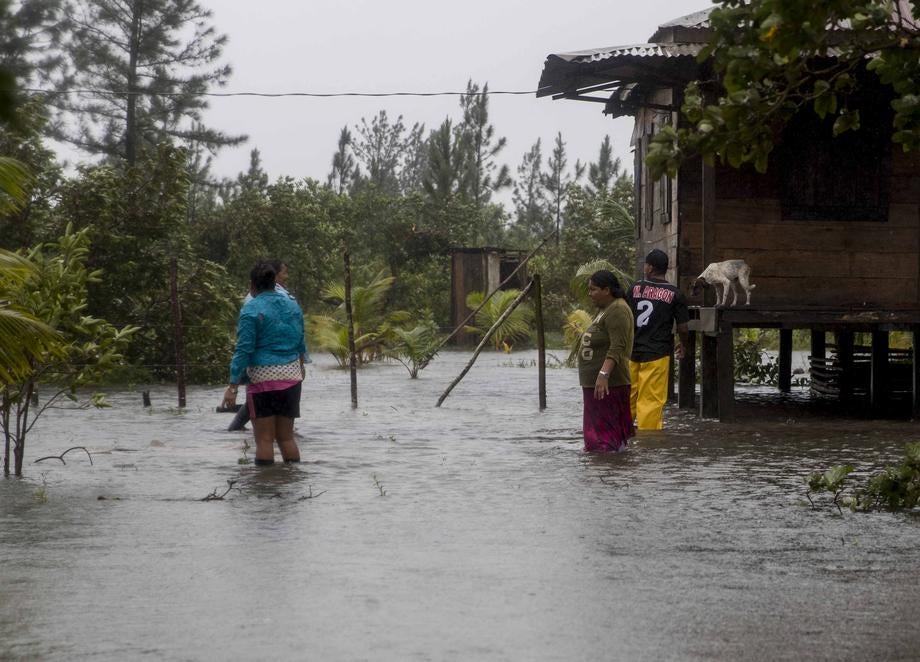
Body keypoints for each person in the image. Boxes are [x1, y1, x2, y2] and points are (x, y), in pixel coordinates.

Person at [221, 262, 307, 465]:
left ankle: (265, 483)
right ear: (274, 282)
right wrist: (301, 366)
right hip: (292, 377)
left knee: (264, 440)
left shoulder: (251, 309)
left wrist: (233, 386)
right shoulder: (292, 305)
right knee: (287, 438)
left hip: (263, 380)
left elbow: (244, 350)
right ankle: (293, 479)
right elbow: (300, 341)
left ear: (252, 285)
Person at [627, 249, 690, 430]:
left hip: (632, 352)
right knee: (650, 402)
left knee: (627, 397)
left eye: (646, 265)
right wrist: (683, 344)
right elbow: (683, 327)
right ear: (666, 269)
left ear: (650, 268)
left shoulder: (634, 288)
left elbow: (624, 317)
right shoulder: (675, 293)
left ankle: (621, 437)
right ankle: (648, 442)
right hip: (657, 354)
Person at [578, 270, 635, 452]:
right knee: (597, 439)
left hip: (609, 384)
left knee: (605, 440)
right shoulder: (606, 309)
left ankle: (610, 468)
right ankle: (608, 467)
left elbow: (618, 346)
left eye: (593, 289)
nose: (590, 294)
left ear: (607, 290)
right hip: (596, 385)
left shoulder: (618, 310)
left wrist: (603, 375)